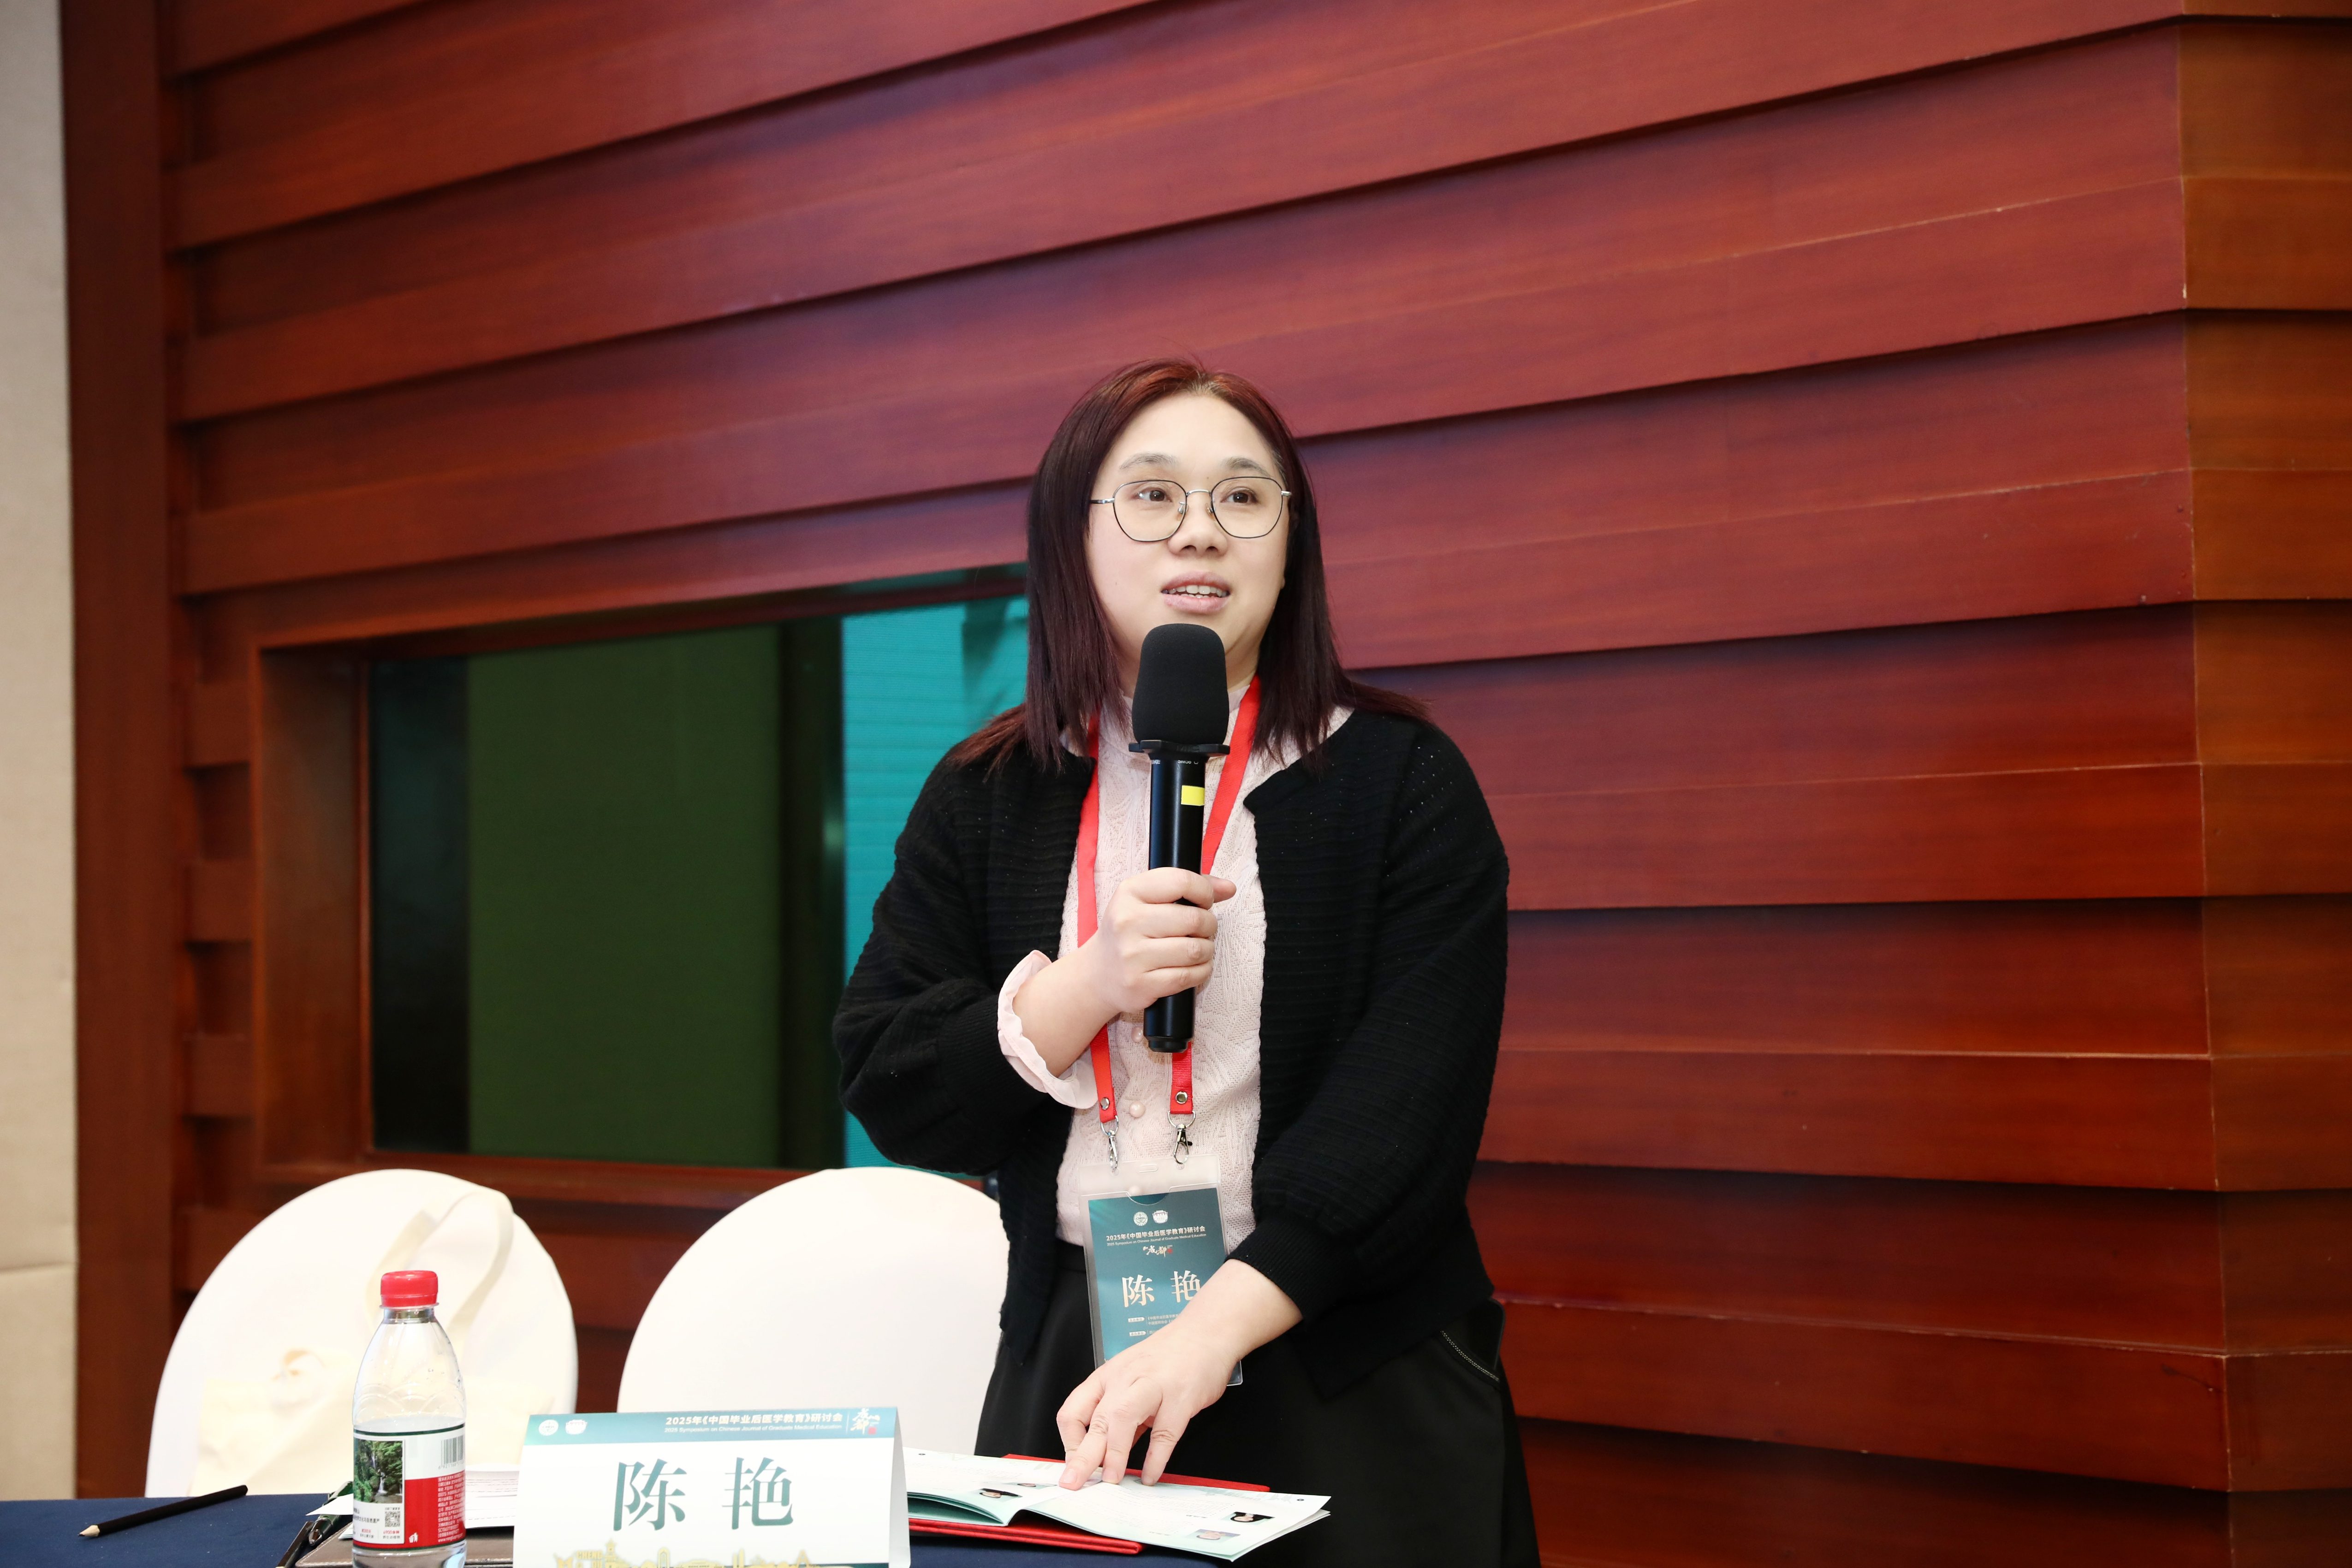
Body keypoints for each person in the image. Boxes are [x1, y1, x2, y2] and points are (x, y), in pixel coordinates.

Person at [837, 359, 1537, 1567]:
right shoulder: (988, 791)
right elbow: (894, 1080)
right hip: (1079, 1351)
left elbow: (1405, 1119)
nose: (1200, 531)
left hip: (1342, 1355)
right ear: (1073, 536)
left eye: (1244, 498)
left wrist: (1210, 1334)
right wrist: (1085, 989)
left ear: (1290, 544)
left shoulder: (1401, 782)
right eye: (1153, 495)